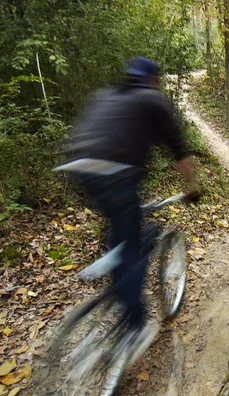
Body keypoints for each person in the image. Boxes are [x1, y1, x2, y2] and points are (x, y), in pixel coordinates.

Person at [60, 56, 199, 354]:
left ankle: (116, 281)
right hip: (117, 173)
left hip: (80, 170)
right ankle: (132, 327)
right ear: (153, 79)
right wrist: (191, 189)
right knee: (132, 244)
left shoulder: (106, 96)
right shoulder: (153, 99)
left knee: (121, 231)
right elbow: (181, 154)